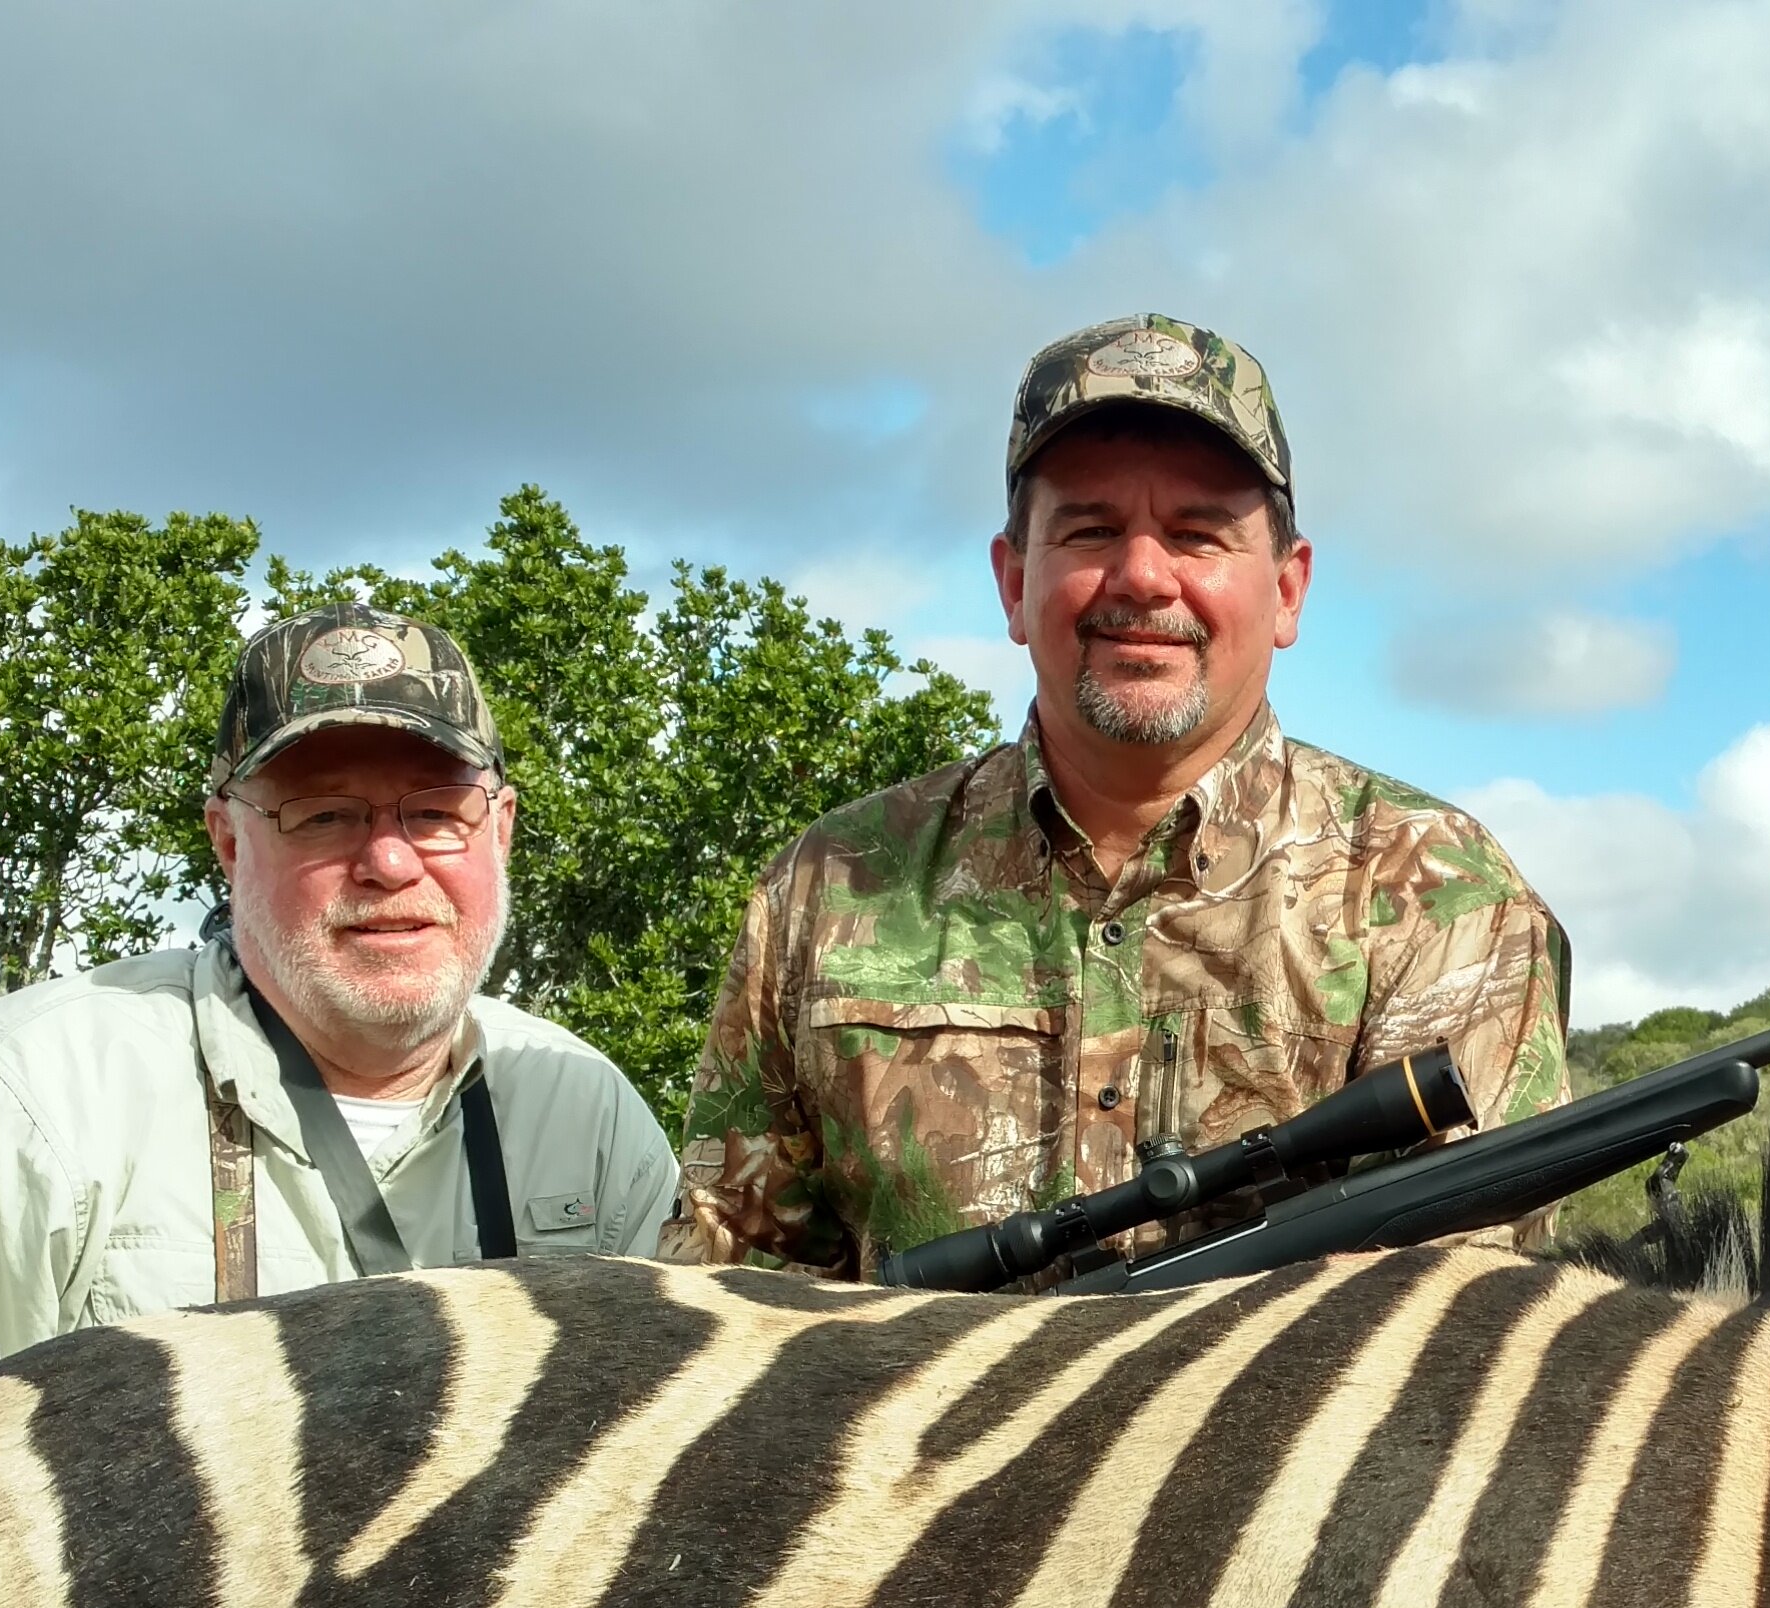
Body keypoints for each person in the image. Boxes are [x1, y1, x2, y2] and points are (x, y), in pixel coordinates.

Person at [663, 314, 1571, 1277]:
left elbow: (1469, 1328)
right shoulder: (830, 884)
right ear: (1014, 584)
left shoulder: (1438, 889)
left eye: (1199, 534)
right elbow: (729, 1299)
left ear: (1289, 589)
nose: (1143, 575)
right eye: (1091, 529)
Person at [0, 604, 680, 1502]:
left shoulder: (586, 1109)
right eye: (324, 815)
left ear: (500, 831)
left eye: (434, 814)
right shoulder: (18, 1092)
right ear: (227, 840)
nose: (389, 862)